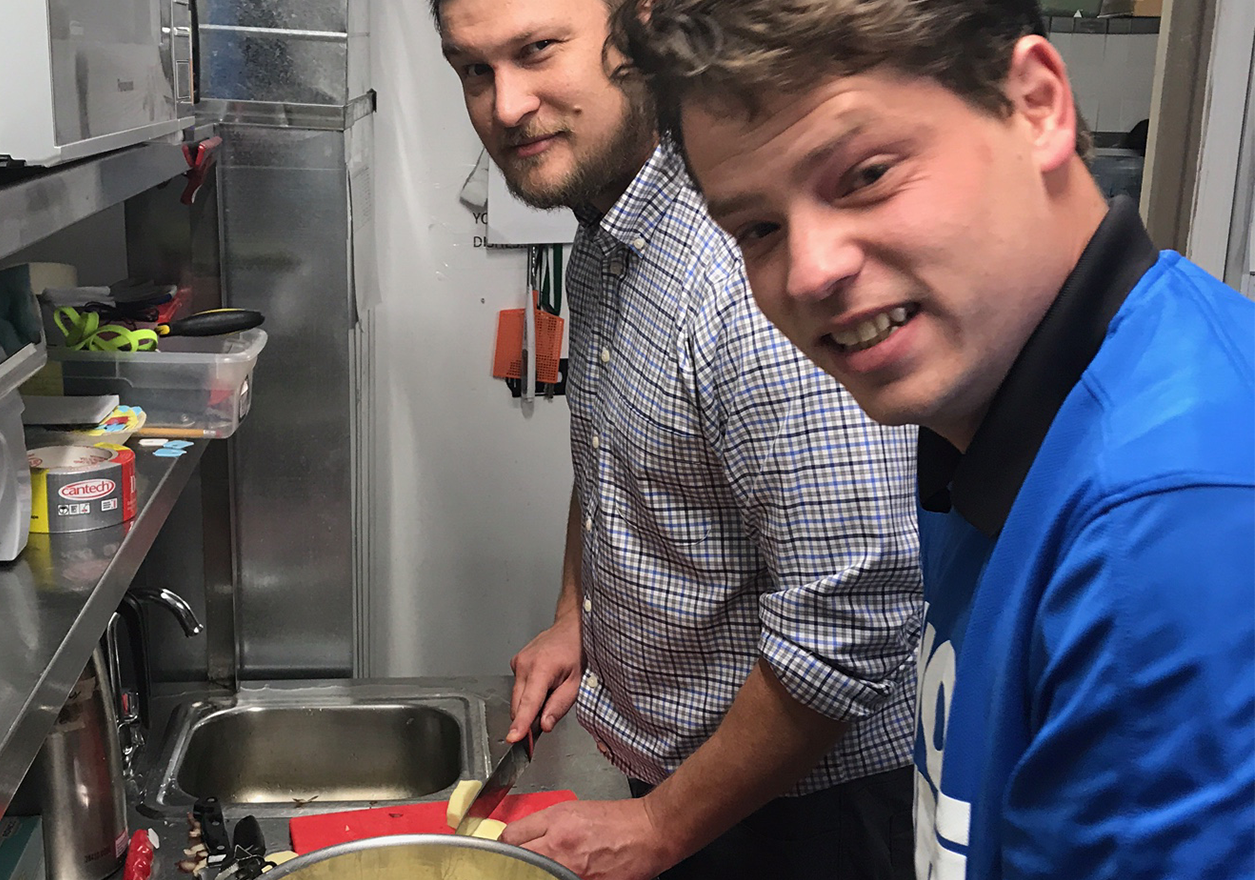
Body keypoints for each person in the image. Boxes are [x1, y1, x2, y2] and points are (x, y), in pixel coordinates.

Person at [617, 1, 1255, 877]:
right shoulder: (993, 415)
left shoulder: (1161, 531)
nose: (810, 271)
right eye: (758, 229)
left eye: (867, 173)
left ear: (1036, 104)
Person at [432, 1, 925, 878]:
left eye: (538, 50)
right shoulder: (605, 229)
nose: (505, 105)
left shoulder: (744, 265)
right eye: (474, 69)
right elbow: (610, 457)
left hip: (802, 818)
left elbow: (851, 619)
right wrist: (572, 619)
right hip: (682, 787)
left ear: (641, 26)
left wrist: (662, 824)